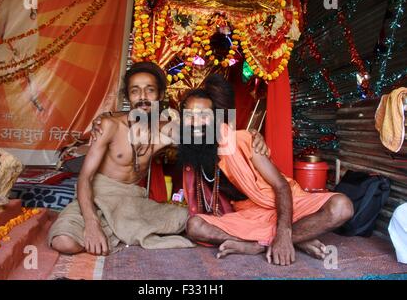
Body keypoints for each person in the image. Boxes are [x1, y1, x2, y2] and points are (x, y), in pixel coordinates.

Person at [49, 62, 270, 256]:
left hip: (133, 202)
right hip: (98, 197)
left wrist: (252, 136)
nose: (143, 97)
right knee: (64, 242)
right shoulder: (109, 126)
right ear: (127, 97)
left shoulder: (168, 130)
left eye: (150, 90)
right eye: (135, 91)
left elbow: (214, 133)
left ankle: (247, 242)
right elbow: (85, 178)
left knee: (191, 219)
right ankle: (112, 228)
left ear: (160, 95)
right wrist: (91, 222)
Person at [180, 74, 355, 266]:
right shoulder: (190, 146)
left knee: (341, 207)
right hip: (250, 216)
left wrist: (283, 233)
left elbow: (281, 186)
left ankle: (262, 244)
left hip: (285, 205)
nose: (197, 123)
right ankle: (296, 238)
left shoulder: (243, 141)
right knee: (194, 226)